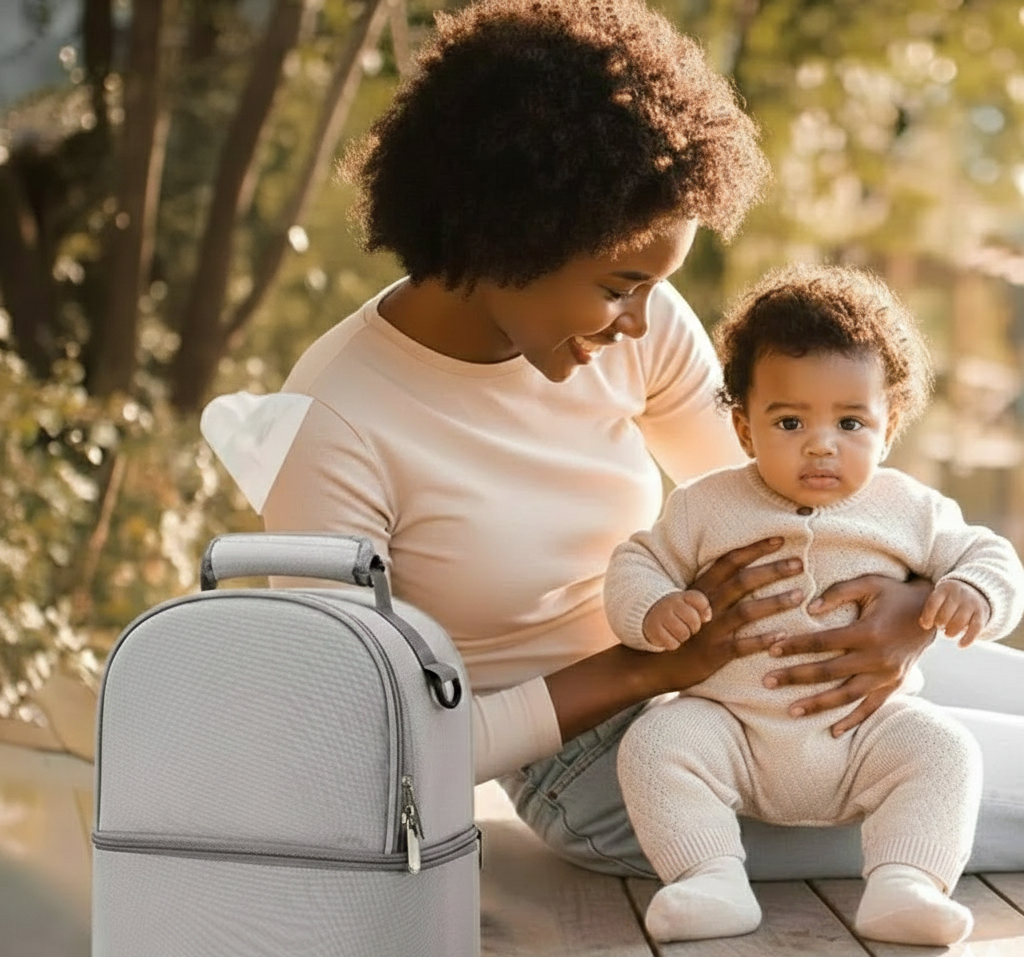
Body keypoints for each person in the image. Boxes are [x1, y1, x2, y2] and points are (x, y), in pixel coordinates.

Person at [200, 0, 1024, 886]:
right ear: (512, 233)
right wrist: (646, 668)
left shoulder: (635, 322)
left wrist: (911, 607)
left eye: (652, 288)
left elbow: (788, 495)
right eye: (618, 287)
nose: (639, 321)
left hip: (744, 670)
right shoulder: (337, 425)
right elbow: (363, 739)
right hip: (601, 763)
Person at [605, 264, 1024, 946]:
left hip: (866, 734)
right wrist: (653, 609)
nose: (821, 443)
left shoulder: (909, 507)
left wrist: (972, 591)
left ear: (888, 427)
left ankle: (905, 885)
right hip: (733, 730)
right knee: (655, 742)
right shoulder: (706, 505)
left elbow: (991, 556)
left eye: (851, 422)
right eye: (790, 421)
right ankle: (709, 879)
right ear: (745, 429)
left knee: (944, 749)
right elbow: (637, 562)